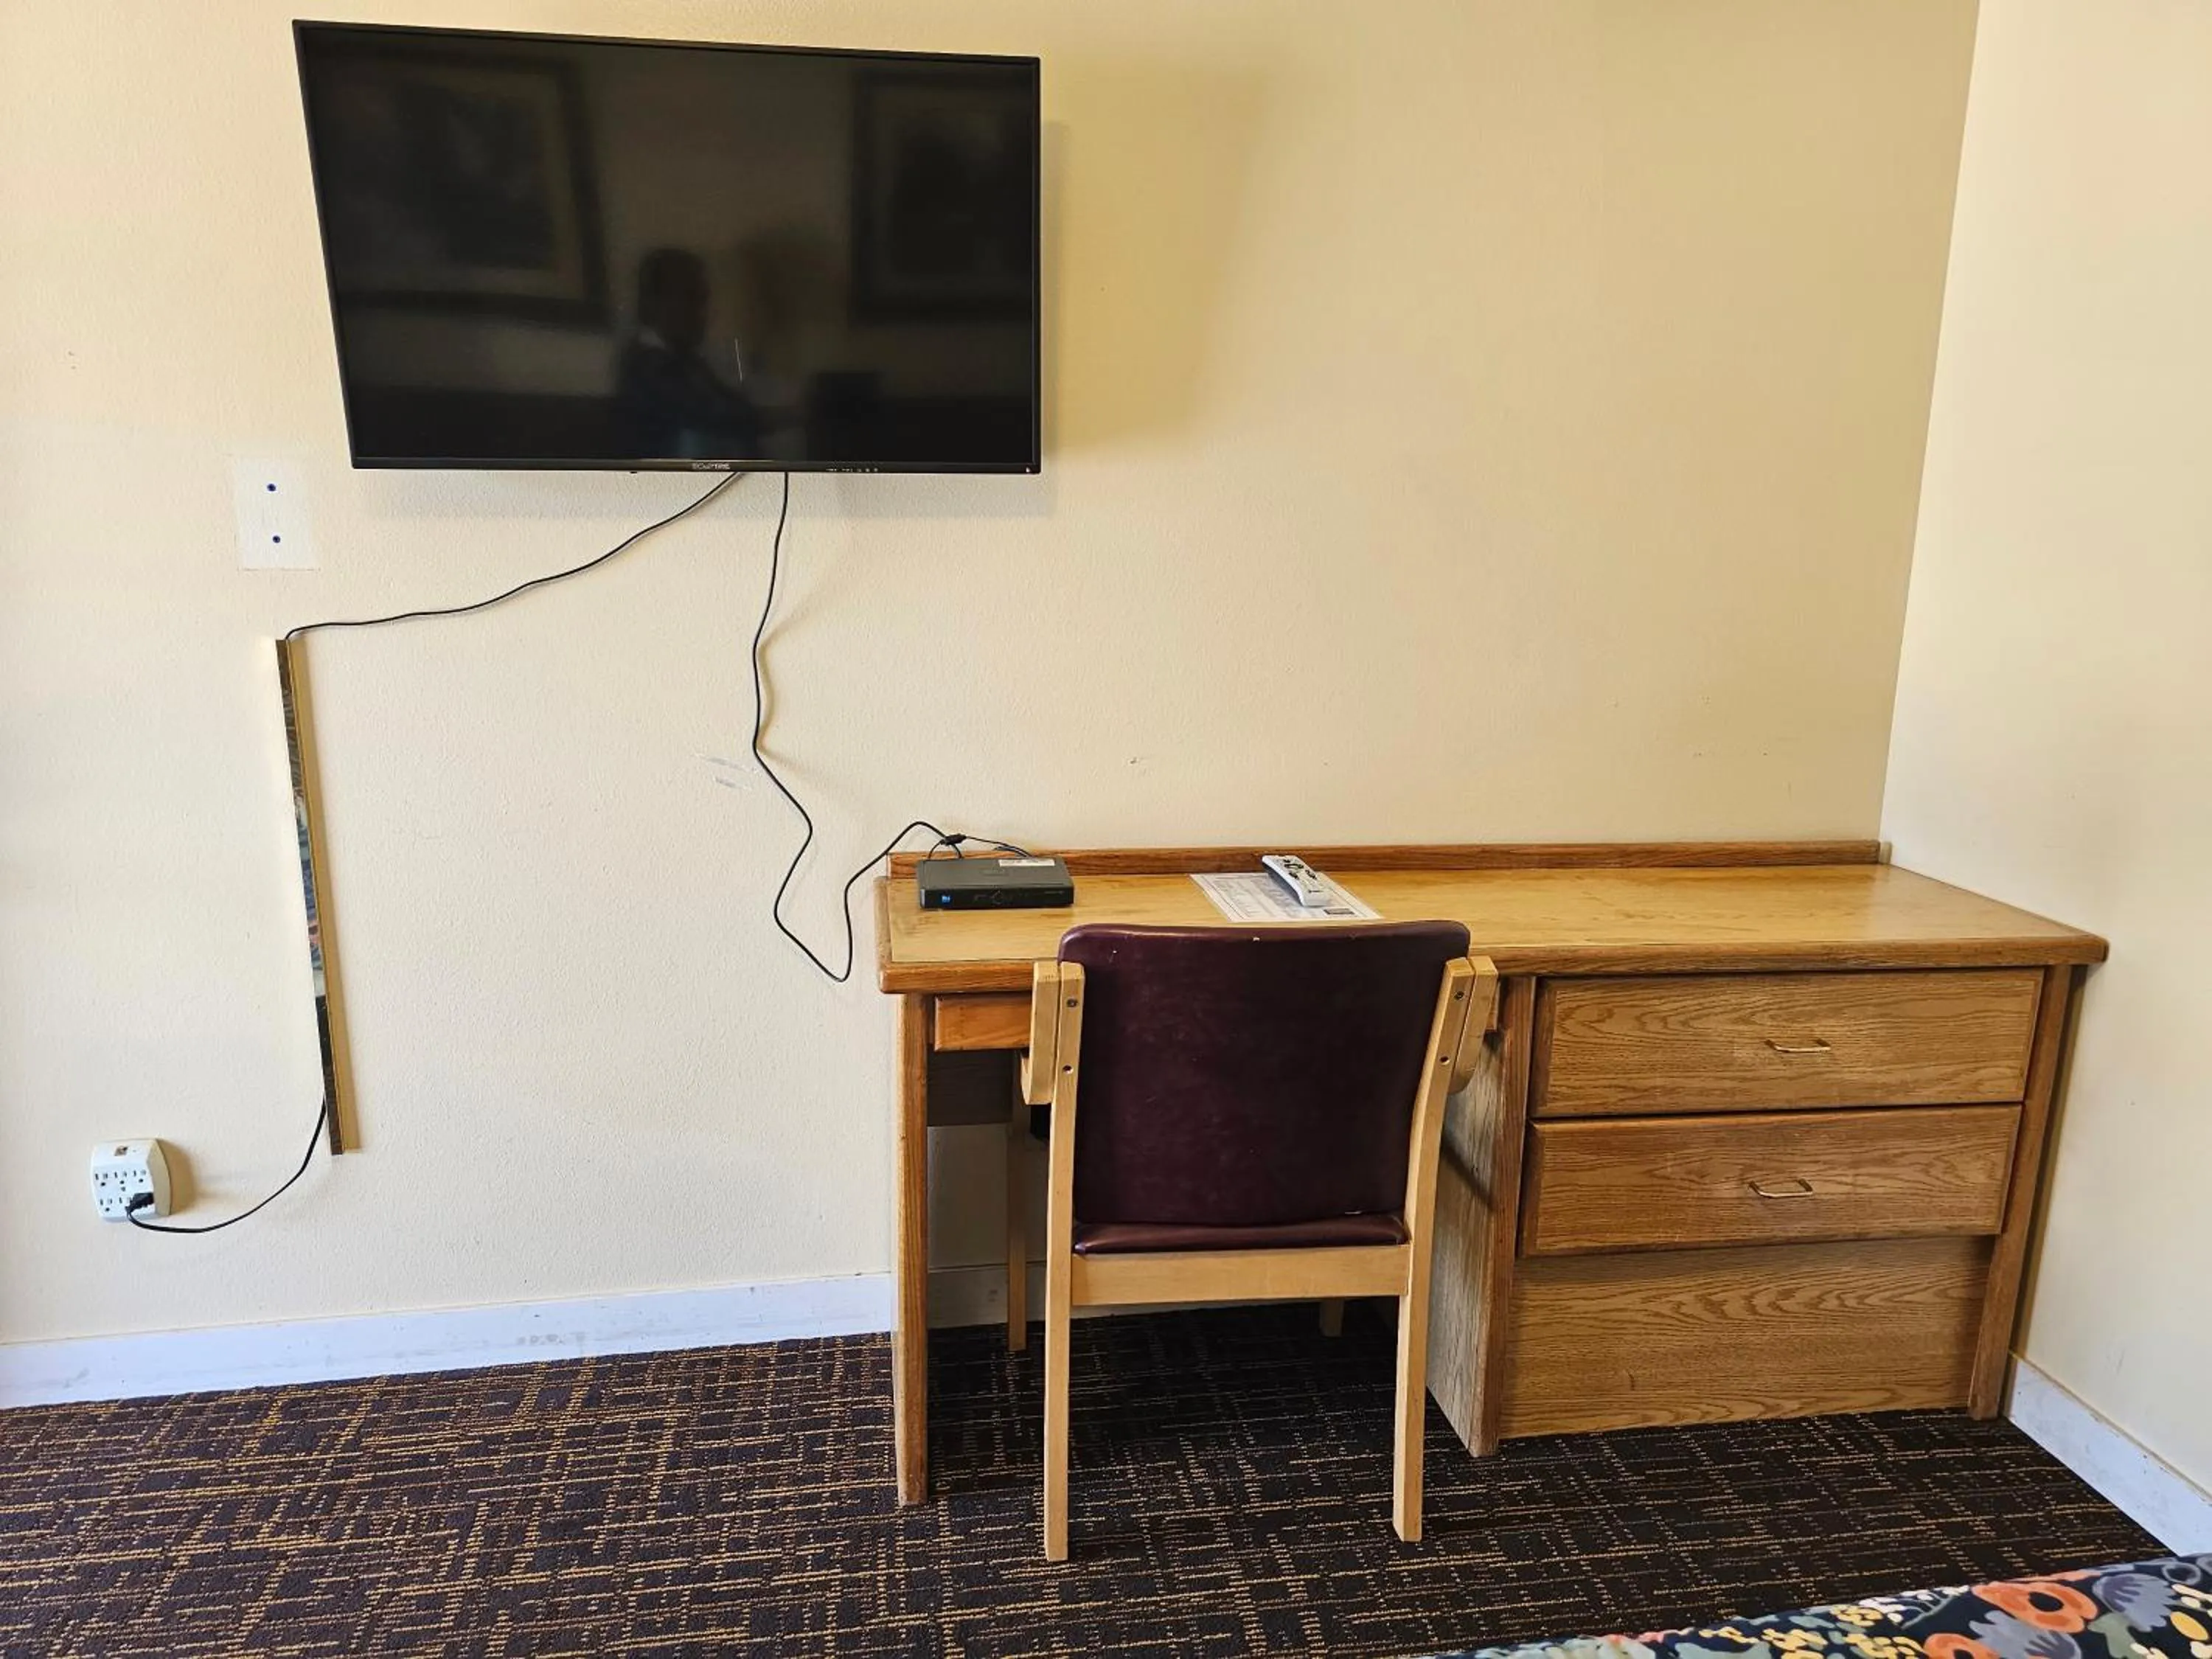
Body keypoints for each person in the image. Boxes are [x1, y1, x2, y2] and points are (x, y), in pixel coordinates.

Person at [614, 248, 759, 459]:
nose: (703, 314)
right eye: (692, 298)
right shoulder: (646, 365)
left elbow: (737, 407)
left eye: (703, 300)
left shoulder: (688, 359)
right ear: (654, 303)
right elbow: (709, 416)